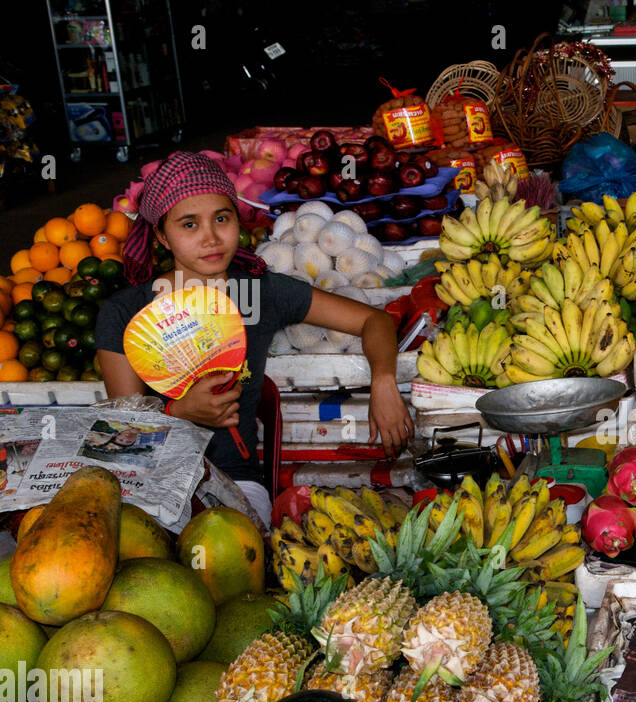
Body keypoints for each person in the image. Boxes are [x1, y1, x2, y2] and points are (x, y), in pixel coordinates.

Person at [96, 151, 413, 524]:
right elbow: (124, 433)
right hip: (156, 480)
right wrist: (177, 411)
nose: (211, 238)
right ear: (163, 236)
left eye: (221, 218)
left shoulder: (260, 293)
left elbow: (374, 322)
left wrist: (384, 380)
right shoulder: (126, 312)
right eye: (189, 225)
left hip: (237, 483)